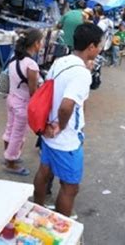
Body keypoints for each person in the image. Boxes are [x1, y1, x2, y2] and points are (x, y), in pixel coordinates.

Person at [33, 23, 103, 217]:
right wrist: (61, 127)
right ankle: (63, 223)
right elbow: (66, 106)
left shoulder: (61, 61)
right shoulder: (81, 74)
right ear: (91, 47)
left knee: (44, 172)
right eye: (99, 45)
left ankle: (37, 209)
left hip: (47, 131)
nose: (100, 49)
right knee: (70, 187)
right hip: (65, 139)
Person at [2, 28, 42, 176]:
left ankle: (7, 155)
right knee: (18, 134)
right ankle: (10, 162)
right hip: (22, 104)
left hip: (11, 99)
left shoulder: (14, 59)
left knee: (10, 129)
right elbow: (33, 92)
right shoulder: (31, 65)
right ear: (36, 44)